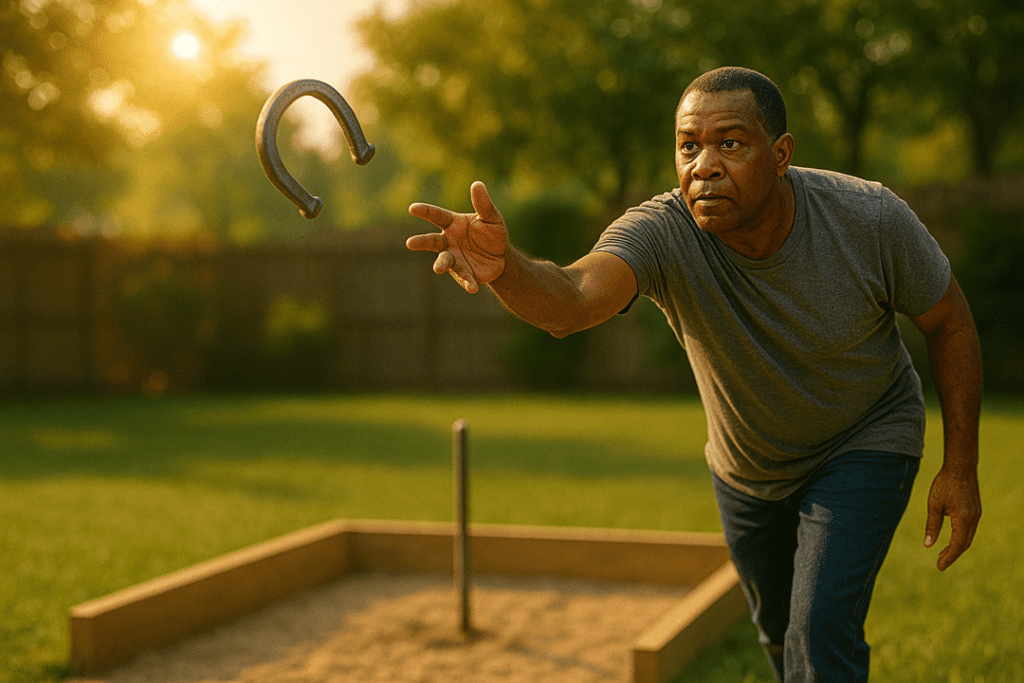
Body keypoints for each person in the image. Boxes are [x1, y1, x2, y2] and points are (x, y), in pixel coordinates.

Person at [406, 66, 982, 682]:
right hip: (747, 469)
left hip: (865, 439)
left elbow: (951, 324)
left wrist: (960, 466)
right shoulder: (663, 232)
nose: (704, 165)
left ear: (781, 154)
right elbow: (571, 300)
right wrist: (507, 270)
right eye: (689, 146)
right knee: (780, 636)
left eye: (729, 144)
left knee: (818, 632)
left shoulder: (867, 219)